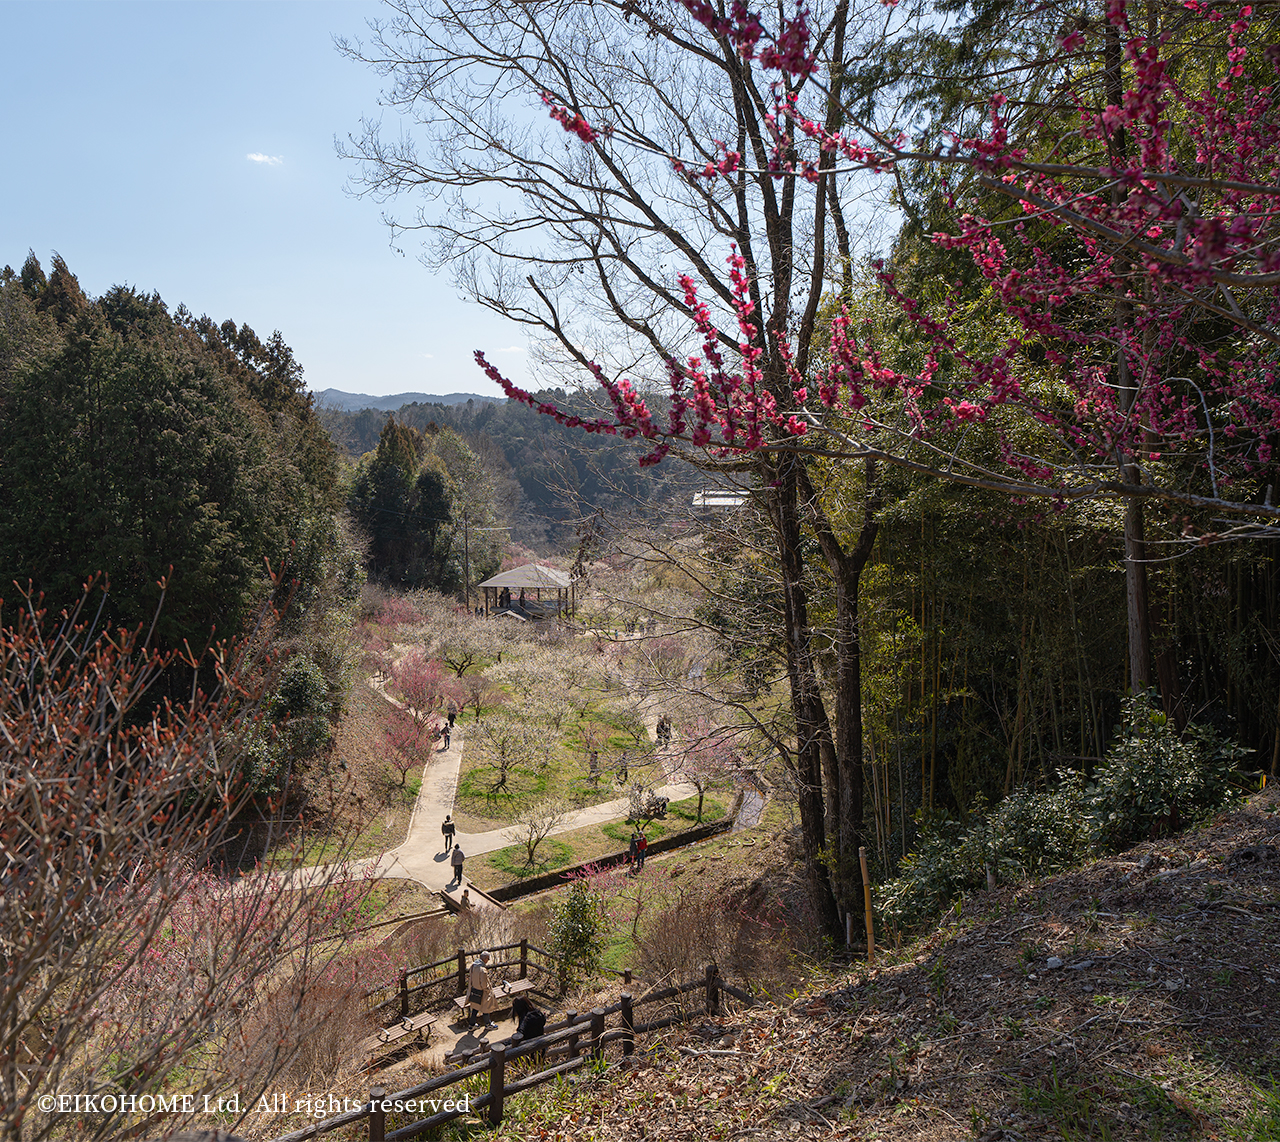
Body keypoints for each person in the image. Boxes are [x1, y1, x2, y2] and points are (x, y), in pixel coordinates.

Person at [466, 951, 496, 1031]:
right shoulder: (482, 970)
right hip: (482, 992)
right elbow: (484, 984)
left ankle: (471, 1025)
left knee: (475, 1009)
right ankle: (488, 1024)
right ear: (485, 959)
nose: (488, 960)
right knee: (486, 1008)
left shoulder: (473, 966)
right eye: (488, 959)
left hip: (474, 990)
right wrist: (488, 990)